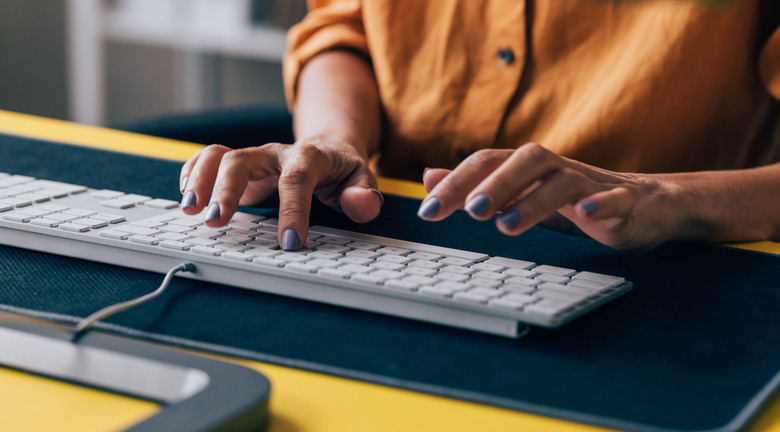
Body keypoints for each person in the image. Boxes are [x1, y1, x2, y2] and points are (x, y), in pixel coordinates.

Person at [178, 0, 780, 253]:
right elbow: (347, 28)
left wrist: (661, 197)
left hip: (676, 269)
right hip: (392, 232)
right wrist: (335, 138)